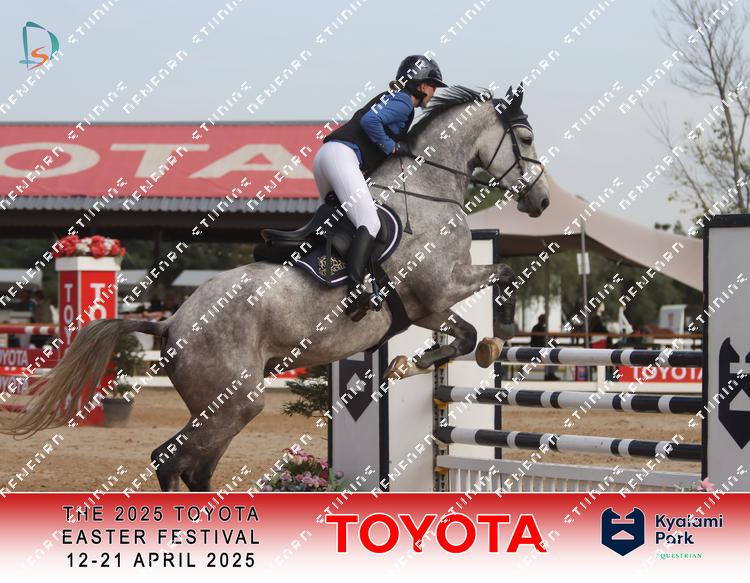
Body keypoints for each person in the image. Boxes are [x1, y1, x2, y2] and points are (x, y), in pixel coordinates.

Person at [317, 54, 447, 321]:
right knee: (370, 222)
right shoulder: (404, 102)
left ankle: (326, 278)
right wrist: (391, 147)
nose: (434, 92)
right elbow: (370, 122)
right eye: (433, 86)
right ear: (421, 85)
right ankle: (355, 293)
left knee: (344, 223)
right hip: (342, 156)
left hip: (327, 158)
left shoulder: (395, 98)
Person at [531, 314, 559, 381]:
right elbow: (542, 341)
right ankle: (550, 374)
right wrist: (553, 342)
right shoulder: (539, 328)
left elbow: (545, 341)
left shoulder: (537, 327)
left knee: (553, 353)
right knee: (554, 354)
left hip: (539, 348)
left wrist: (552, 342)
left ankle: (550, 374)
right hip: (539, 350)